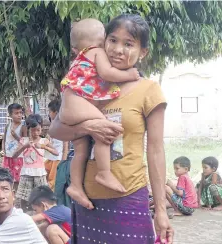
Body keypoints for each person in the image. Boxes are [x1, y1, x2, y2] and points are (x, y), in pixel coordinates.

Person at [49, 14, 174, 244]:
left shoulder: (148, 90)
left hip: (127, 194)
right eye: (113, 40)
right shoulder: (91, 82)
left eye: (128, 44)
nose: (118, 49)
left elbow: (156, 150)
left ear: (142, 52)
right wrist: (89, 126)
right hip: (87, 199)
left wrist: (161, 210)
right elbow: (55, 129)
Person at [59, 18, 143, 207]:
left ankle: (75, 186)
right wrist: (129, 75)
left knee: (80, 150)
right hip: (77, 105)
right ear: (102, 40)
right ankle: (104, 173)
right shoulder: (96, 52)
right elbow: (107, 73)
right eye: (110, 40)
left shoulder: (78, 58)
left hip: (71, 106)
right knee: (103, 129)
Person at [13, 114, 58, 210]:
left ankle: (41, 212)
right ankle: (24, 213)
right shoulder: (23, 140)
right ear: (28, 129)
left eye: (38, 130)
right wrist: (25, 146)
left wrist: (43, 147)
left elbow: (56, 153)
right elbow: (14, 155)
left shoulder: (44, 141)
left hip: (40, 173)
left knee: (41, 195)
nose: (36, 133)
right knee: (24, 196)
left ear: (41, 128)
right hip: (26, 172)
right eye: (33, 130)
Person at [1, 103, 27, 189]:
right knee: (7, 177)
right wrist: (3, 150)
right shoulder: (7, 126)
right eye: (16, 113)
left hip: (18, 157)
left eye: (20, 113)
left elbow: (24, 142)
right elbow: (4, 139)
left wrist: (16, 136)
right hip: (8, 156)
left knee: (18, 179)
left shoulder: (23, 127)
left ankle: (16, 194)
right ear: (10, 115)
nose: (19, 115)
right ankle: (10, 194)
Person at [45, 99, 68, 191]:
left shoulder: (63, 127)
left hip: (58, 159)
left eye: (50, 111)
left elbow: (65, 146)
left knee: (53, 180)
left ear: (56, 112)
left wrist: (63, 161)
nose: (49, 114)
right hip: (50, 158)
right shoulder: (52, 125)